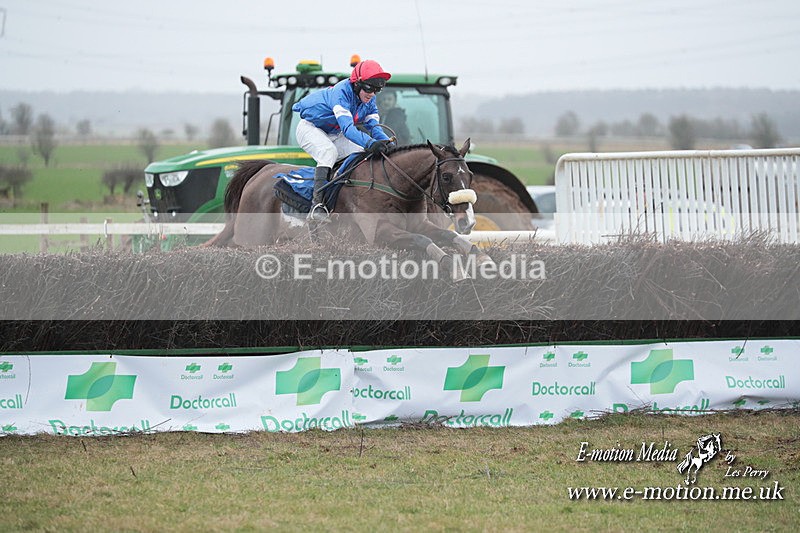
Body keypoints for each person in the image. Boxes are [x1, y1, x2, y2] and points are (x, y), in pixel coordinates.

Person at [292, 59, 395, 219]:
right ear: (357, 84)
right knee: (328, 152)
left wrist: (388, 144)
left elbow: (374, 127)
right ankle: (317, 205)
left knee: (362, 153)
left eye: (377, 89)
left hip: (334, 133)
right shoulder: (341, 93)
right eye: (369, 88)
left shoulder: (369, 99)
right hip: (310, 128)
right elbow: (348, 129)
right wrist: (371, 143)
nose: (372, 94)